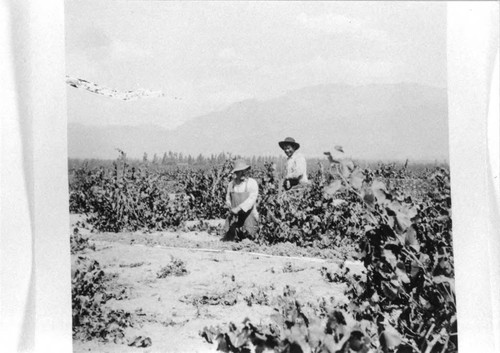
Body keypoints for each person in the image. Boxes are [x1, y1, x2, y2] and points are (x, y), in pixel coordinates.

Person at [223, 159, 259, 240]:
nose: (243, 173)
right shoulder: (231, 185)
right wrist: (228, 204)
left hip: (248, 217)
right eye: (240, 171)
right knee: (231, 237)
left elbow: (251, 200)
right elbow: (228, 197)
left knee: (249, 236)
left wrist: (238, 208)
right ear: (235, 173)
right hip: (235, 217)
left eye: (245, 170)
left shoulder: (252, 183)